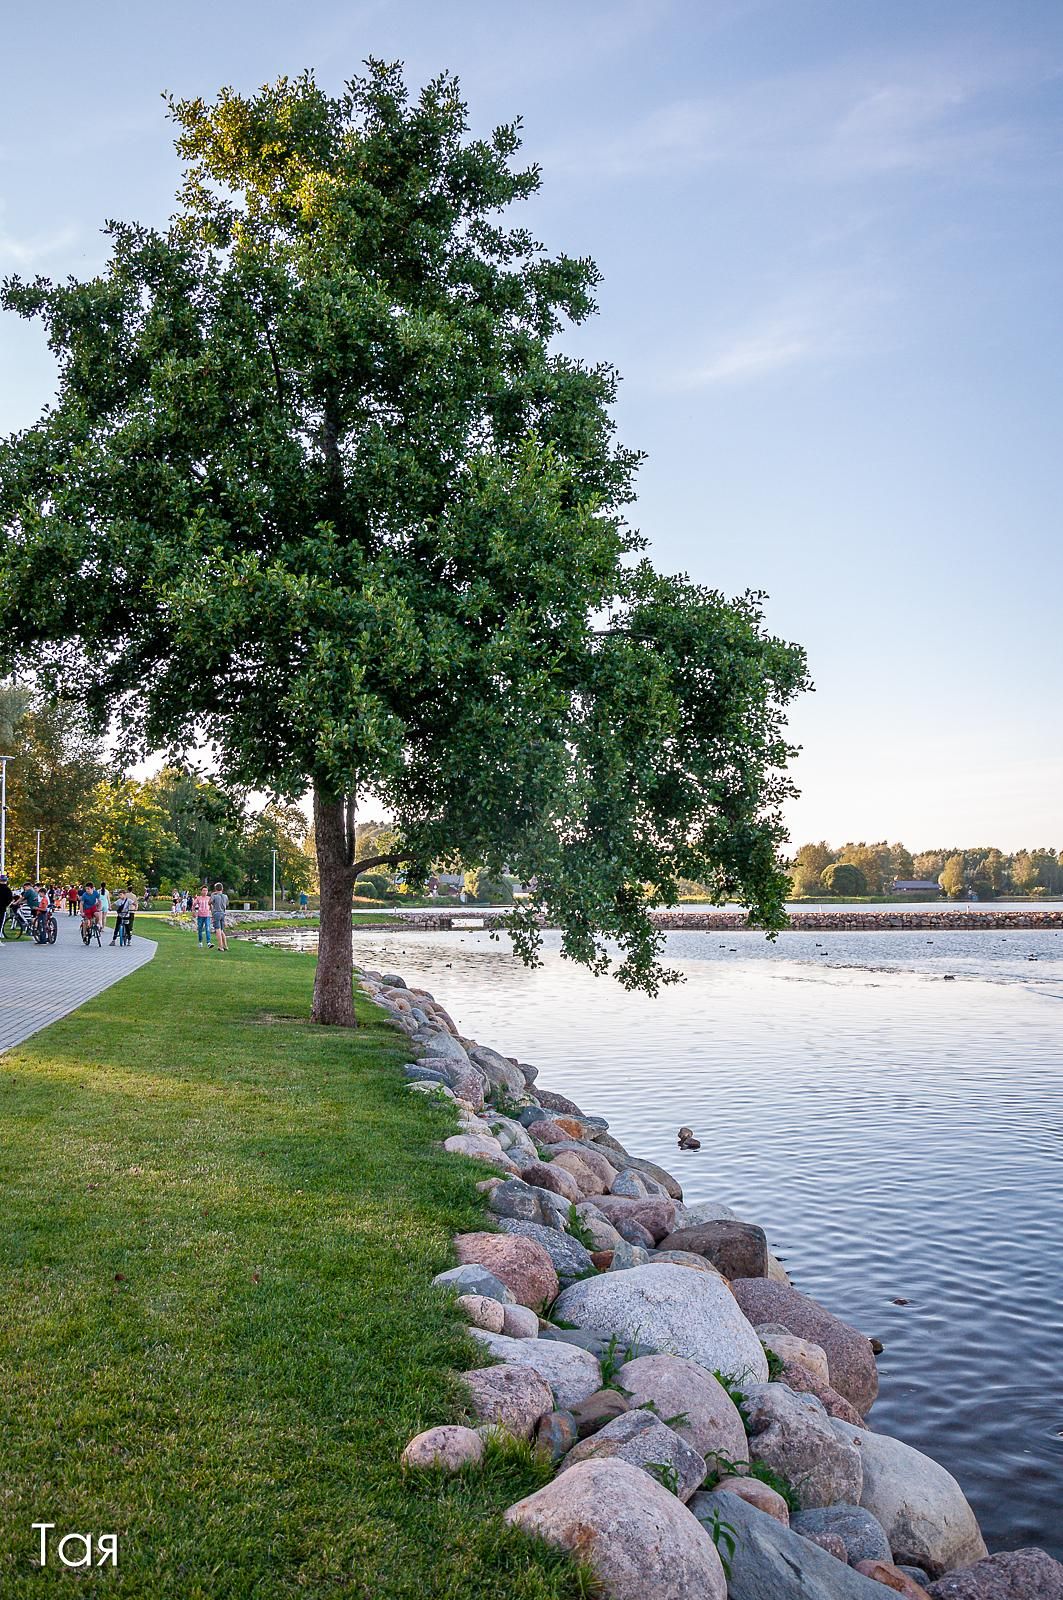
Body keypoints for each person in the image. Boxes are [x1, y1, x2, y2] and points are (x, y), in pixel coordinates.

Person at [210, 881, 229, 951]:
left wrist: (212, 894)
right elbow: (227, 904)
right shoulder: (225, 896)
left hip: (216, 913)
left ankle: (220, 946)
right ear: (222, 888)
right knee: (221, 930)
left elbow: (210, 902)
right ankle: (225, 946)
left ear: (215, 889)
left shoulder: (215, 896)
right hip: (223, 913)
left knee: (217, 930)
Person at [0, 873, 12, 939]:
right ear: (6, 881)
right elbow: (9, 900)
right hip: (2, 908)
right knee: (0, 923)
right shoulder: (7, 890)